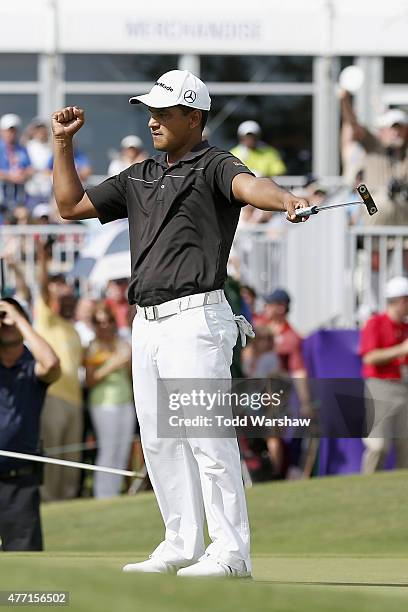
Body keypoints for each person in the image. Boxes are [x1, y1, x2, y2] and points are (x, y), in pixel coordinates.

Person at [50, 69, 310, 578]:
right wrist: (63, 144)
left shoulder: (214, 165)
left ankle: (231, 553)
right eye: (150, 110)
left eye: (164, 112)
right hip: (145, 323)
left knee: (206, 437)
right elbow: (69, 206)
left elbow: (250, 184)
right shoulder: (140, 175)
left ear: (194, 116)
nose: (152, 120)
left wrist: (287, 201)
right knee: (159, 440)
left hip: (197, 319)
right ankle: (180, 543)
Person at [0, 297, 60, 551]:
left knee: (24, 569)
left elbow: (52, 365)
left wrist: (17, 316)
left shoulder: (31, 364)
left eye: (11, 317)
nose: (6, 322)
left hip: (20, 483)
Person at [34, 242, 83, 501]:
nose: (63, 288)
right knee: (53, 454)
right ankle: (50, 501)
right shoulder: (45, 317)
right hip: (52, 397)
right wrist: (43, 259)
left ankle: (67, 502)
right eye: (58, 284)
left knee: (71, 457)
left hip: (76, 400)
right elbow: (41, 287)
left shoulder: (73, 329)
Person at [85, 303, 135, 498]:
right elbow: (90, 380)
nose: (104, 325)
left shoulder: (122, 343)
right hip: (103, 404)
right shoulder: (92, 347)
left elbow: (131, 374)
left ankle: (114, 493)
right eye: (99, 322)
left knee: (122, 450)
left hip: (125, 401)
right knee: (108, 449)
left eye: (108, 321)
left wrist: (127, 361)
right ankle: (103, 494)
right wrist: (113, 364)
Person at [359, 276, 408, 473]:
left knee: (405, 446)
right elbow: (369, 357)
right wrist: (401, 350)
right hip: (379, 387)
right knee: (378, 446)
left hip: (403, 386)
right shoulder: (375, 323)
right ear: (402, 301)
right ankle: (367, 490)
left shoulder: (404, 327)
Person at [340, 91, 408, 226]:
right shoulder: (373, 144)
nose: (396, 133)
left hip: (400, 208)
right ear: (381, 130)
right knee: (381, 203)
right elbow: (353, 125)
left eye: (400, 129)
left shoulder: (404, 152)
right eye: (392, 128)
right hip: (373, 204)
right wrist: (345, 100)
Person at [0, 113, 33, 210]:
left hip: (19, 198)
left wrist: (24, 175)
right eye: (8, 131)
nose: (11, 134)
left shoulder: (22, 149)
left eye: (14, 131)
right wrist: (10, 177)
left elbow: (30, 169)